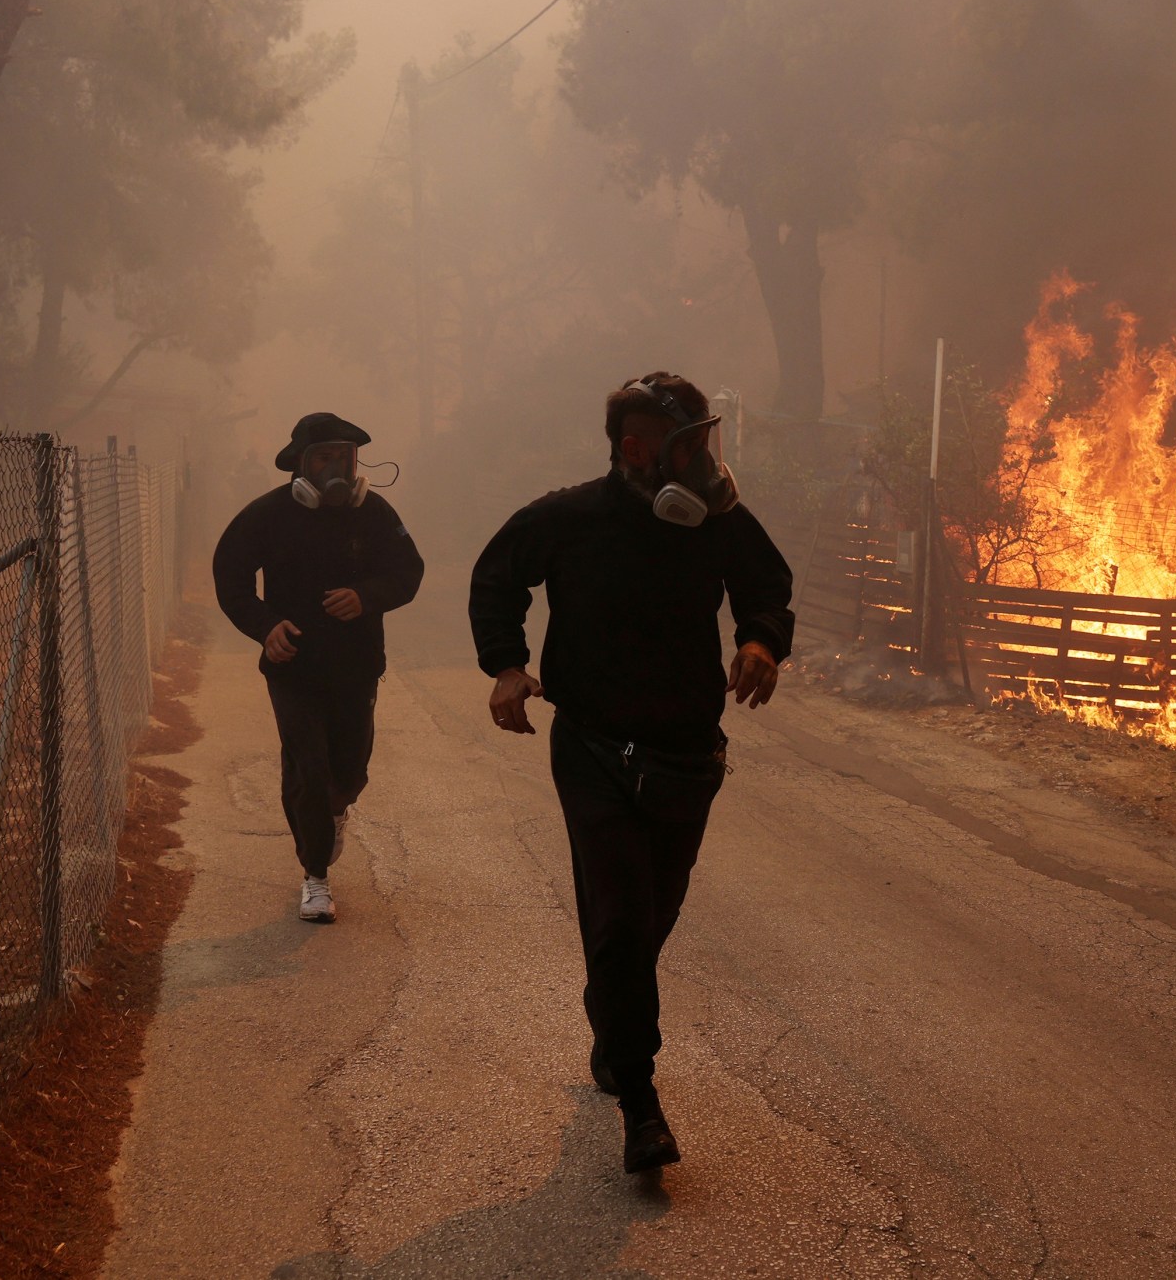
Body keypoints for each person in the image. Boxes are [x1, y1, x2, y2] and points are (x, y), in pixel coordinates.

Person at [468, 373, 795, 1173]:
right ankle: (640, 1101)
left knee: (647, 922)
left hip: (686, 756)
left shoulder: (718, 522)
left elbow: (768, 587)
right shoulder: (569, 517)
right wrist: (506, 665)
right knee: (618, 918)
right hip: (592, 751)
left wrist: (760, 640)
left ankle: (612, 1023)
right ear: (638, 447)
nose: (705, 460)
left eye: (705, 440)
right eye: (689, 443)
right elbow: (497, 577)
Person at [214, 412, 424, 923]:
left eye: (344, 458)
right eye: (324, 457)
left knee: (348, 772)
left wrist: (367, 596)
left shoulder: (374, 513)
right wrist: (265, 627)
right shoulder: (266, 515)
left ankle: (334, 811)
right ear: (301, 465)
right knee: (308, 766)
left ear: (357, 463)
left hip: (356, 667)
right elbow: (231, 578)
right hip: (293, 668)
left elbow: (408, 571)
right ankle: (316, 879)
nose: (336, 468)